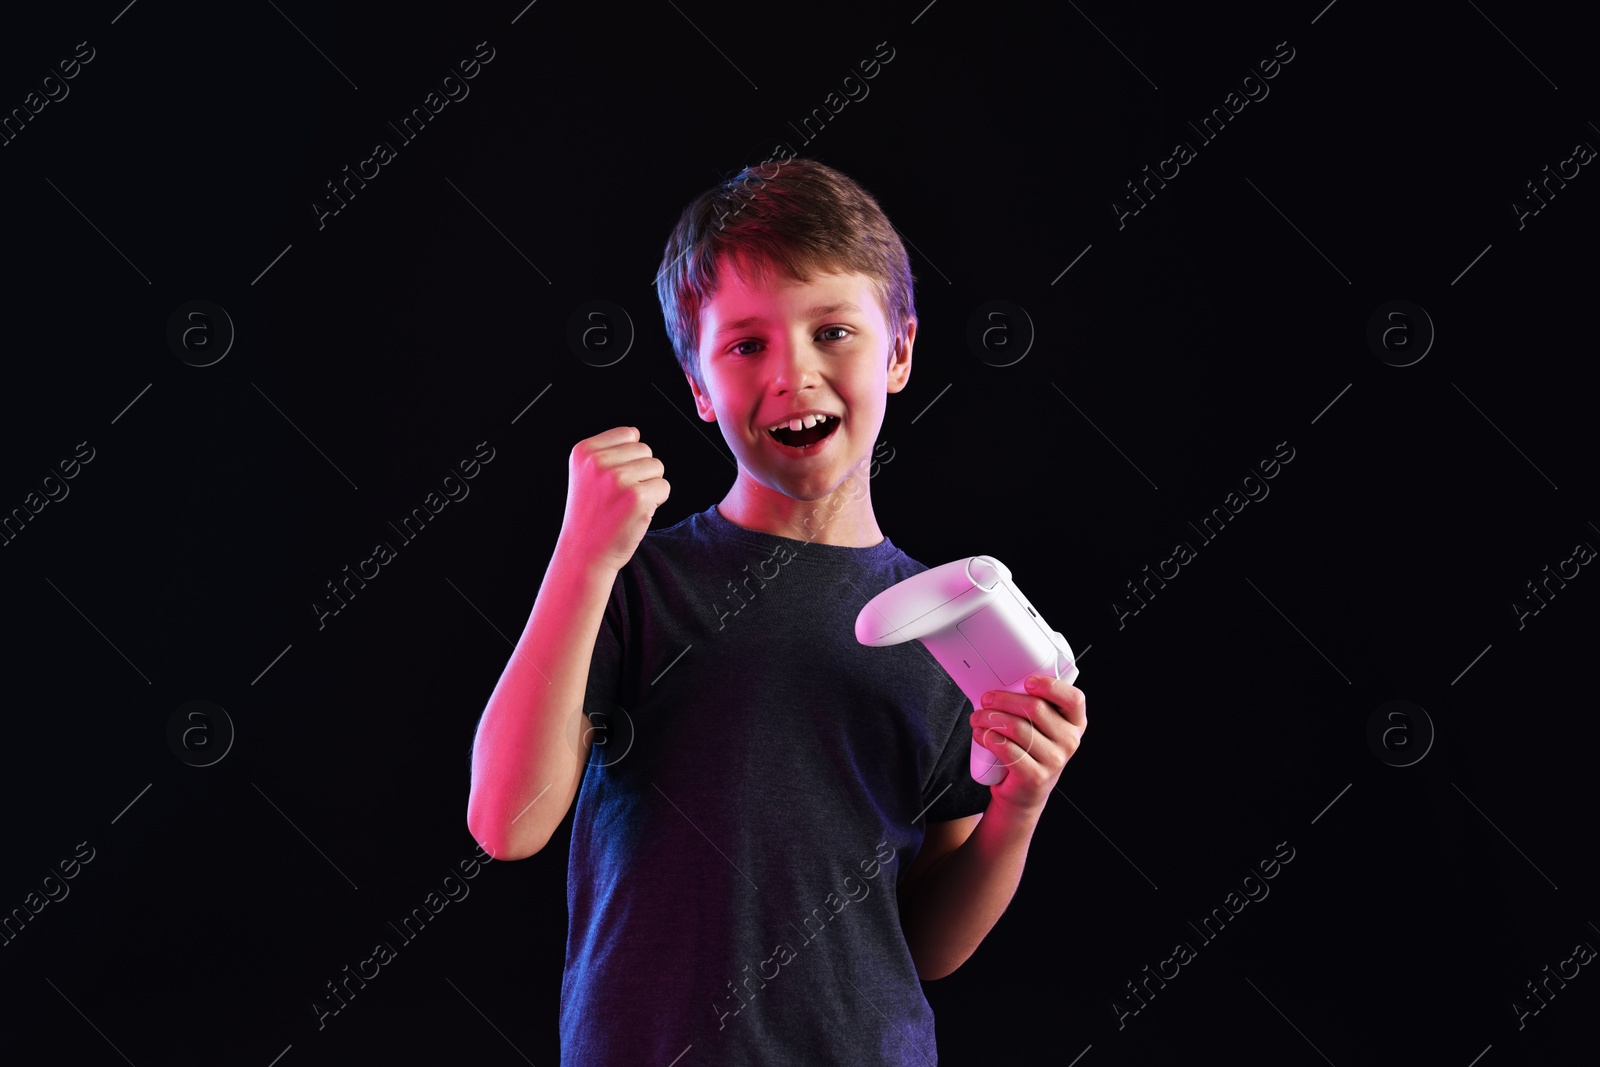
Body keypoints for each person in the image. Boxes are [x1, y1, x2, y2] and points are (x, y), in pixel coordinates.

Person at [466, 157, 1087, 1064]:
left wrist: (1017, 808)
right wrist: (579, 557)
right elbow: (505, 822)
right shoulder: (634, 581)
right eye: (745, 344)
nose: (794, 372)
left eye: (833, 330)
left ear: (901, 350)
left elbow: (927, 945)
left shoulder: (946, 623)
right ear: (698, 386)